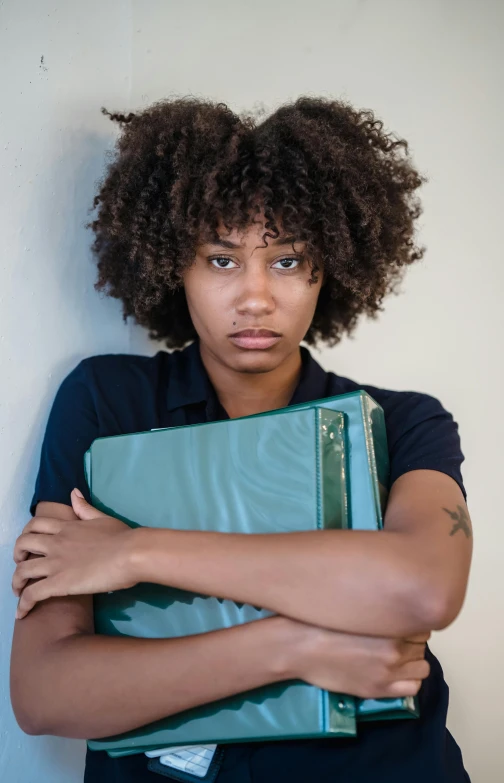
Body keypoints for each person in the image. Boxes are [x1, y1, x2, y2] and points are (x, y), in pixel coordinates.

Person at [10, 96, 473, 783]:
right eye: (221, 260)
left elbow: (422, 592)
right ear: (174, 264)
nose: (255, 297)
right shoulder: (108, 401)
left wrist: (134, 550)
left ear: (332, 263)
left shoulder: (405, 421)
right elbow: (44, 692)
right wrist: (295, 644)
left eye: (286, 261)